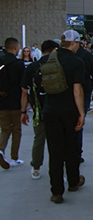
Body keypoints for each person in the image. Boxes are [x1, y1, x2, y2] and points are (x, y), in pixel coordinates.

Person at [44, 31, 87, 203]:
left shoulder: (48, 59)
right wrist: (82, 112)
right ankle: (73, 181)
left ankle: (56, 192)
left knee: (54, 152)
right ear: (73, 43)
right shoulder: (77, 62)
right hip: (69, 111)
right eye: (79, 43)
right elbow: (77, 90)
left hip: (50, 110)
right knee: (71, 148)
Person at [20, 40, 60, 179]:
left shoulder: (32, 67)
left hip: (38, 110)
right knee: (56, 142)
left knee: (38, 139)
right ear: (54, 49)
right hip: (56, 109)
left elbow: (24, 92)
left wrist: (23, 112)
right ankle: (59, 172)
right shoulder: (57, 66)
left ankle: (36, 168)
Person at [0, 37, 26, 169]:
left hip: (1, 102)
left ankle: (1, 149)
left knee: (5, 129)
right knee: (16, 130)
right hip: (15, 101)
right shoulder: (18, 64)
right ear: (16, 48)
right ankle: (14, 157)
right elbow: (23, 86)